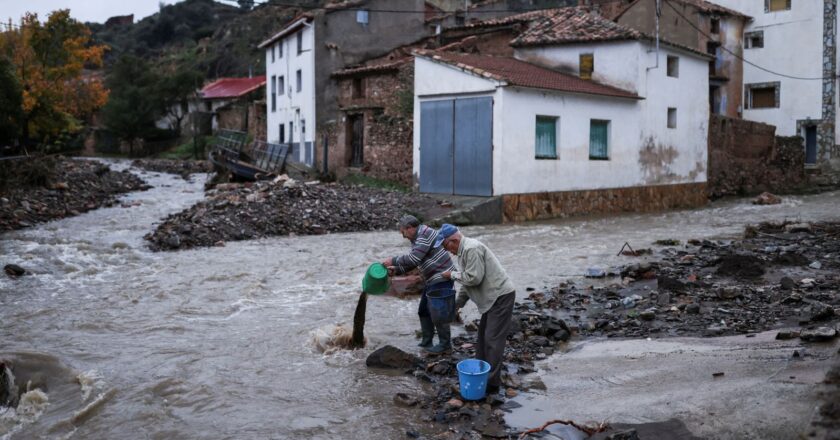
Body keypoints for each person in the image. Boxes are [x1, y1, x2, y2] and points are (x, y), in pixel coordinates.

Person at [436, 224, 515, 394]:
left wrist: (452, 275)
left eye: (445, 246)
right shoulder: (463, 252)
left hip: (500, 296)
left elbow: (473, 279)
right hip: (491, 299)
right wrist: (458, 305)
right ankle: (480, 373)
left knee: (492, 340)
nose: (446, 251)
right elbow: (467, 284)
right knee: (482, 340)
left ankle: (491, 384)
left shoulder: (471, 249)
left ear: (454, 241)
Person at [382, 215, 456, 354]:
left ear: (409, 228)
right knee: (423, 310)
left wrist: (393, 260)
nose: (403, 236)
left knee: (439, 313)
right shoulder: (417, 238)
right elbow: (415, 262)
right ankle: (427, 341)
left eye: (402, 232)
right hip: (431, 278)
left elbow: (413, 258)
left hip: (442, 276)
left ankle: (445, 345)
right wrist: (397, 270)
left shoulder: (425, 234)